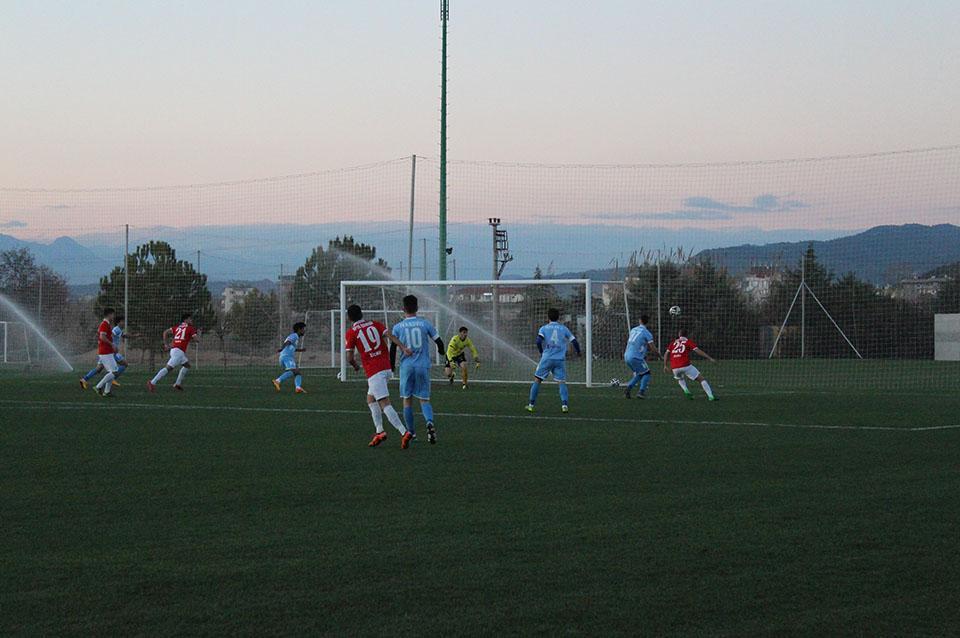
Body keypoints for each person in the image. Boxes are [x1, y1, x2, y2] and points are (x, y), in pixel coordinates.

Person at [344, 305, 414, 449]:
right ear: (362, 313)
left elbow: (349, 357)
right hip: (386, 367)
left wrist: (355, 366)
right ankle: (380, 431)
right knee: (370, 399)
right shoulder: (375, 324)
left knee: (384, 403)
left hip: (374, 371)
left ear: (349, 318)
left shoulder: (351, 332)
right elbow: (391, 336)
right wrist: (403, 348)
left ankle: (404, 432)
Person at [389, 295, 445, 444]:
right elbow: (439, 342)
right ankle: (429, 422)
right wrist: (441, 352)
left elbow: (393, 348)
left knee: (407, 400)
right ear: (417, 308)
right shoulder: (424, 323)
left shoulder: (398, 327)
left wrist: (391, 366)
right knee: (424, 399)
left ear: (403, 309)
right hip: (422, 366)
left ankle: (411, 433)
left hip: (406, 367)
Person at [526, 308, 579, 413]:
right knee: (561, 382)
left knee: (537, 380)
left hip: (547, 358)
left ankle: (531, 405)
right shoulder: (563, 328)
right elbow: (574, 341)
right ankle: (564, 405)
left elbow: (538, 341)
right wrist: (578, 352)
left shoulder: (544, 328)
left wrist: (541, 351)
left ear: (548, 317)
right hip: (560, 359)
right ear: (558, 317)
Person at [147, 313, 200, 392]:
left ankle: (177, 384)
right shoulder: (190, 328)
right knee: (169, 368)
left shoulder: (177, 327)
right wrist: (198, 336)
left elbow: (165, 332)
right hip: (178, 352)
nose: (191, 320)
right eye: (190, 319)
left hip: (175, 350)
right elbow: (196, 340)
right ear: (186, 320)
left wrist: (166, 344)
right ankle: (152, 382)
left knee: (187, 366)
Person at [663, 328, 718, 400]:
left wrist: (665, 365)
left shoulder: (673, 343)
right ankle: (711, 396)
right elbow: (697, 350)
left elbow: (666, 354)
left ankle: (686, 390)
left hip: (674, 368)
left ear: (679, 335)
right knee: (701, 379)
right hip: (685, 365)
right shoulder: (688, 342)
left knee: (680, 378)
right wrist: (709, 358)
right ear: (687, 335)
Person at [80, 315, 131, 390]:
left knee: (99, 368)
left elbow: (123, 335)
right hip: (109, 352)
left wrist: (135, 336)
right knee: (124, 364)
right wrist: (112, 345)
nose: (124, 323)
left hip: (109, 351)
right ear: (119, 322)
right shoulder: (116, 329)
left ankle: (84, 379)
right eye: (123, 321)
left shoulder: (118, 330)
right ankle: (111, 379)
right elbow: (111, 334)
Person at [623, 314, 661, 399]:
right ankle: (641, 392)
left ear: (640, 321)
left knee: (640, 374)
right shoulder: (647, 333)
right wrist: (659, 355)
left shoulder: (633, 330)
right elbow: (653, 348)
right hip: (635, 357)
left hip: (626, 355)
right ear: (648, 322)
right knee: (647, 373)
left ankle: (628, 389)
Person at [273, 322, 307, 394]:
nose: (304, 331)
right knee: (293, 371)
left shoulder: (295, 337)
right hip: (286, 357)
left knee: (297, 372)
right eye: (303, 329)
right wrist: (281, 348)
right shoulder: (294, 336)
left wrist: (300, 350)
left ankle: (298, 388)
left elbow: (291, 347)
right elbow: (287, 342)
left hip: (286, 357)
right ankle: (277, 381)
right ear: (299, 329)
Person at [92, 308, 119, 397]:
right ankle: (98, 386)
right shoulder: (104, 324)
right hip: (105, 352)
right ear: (109, 314)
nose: (113, 316)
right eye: (113, 314)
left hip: (107, 351)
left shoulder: (106, 324)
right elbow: (102, 337)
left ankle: (107, 392)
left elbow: (100, 336)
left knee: (112, 371)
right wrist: (112, 344)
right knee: (114, 372)